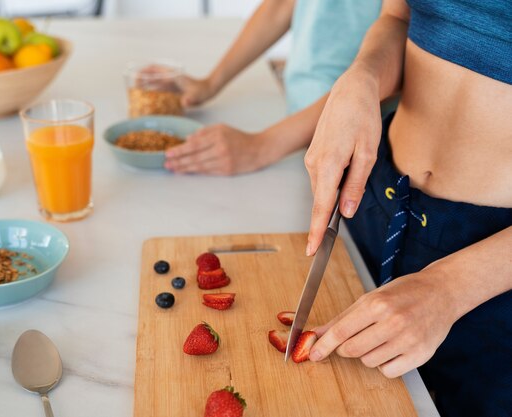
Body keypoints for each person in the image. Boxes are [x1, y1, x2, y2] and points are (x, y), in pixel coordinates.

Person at [303, 1, 512, 415]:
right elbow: (399, 18)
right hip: (380, 201)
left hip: (494, 272)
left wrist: (449, 287)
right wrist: (362, 76)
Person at [164, 0, 381, 175]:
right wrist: (210, 83)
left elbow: (393, 69)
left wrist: (262, 147)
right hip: (298, 124)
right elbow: (282, 4)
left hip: (355, 144)